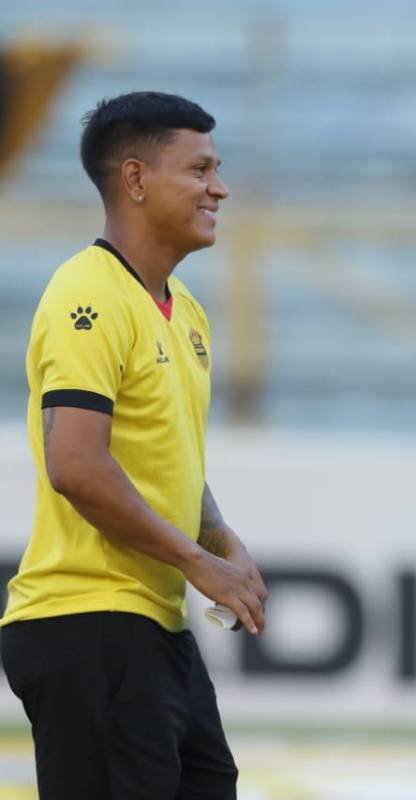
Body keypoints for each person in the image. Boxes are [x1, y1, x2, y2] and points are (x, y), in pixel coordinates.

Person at [0, 91, 268, 800]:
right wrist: (195, 560)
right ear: (137, 179)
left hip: (149, 623)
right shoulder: (84, 294)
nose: (221, 187)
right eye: (201, 168)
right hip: (87, 620)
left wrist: (220, 539)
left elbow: (168, 454)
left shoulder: (187, 313)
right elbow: (77, 466)